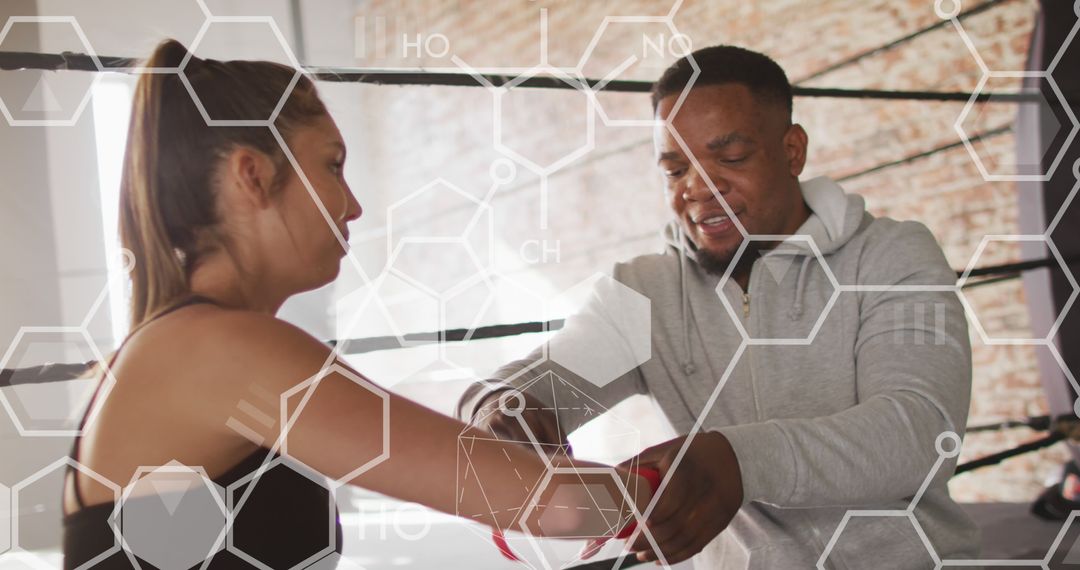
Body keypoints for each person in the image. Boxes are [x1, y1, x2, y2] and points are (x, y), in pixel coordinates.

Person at [61, 39, 654, 569]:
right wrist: (693, 472)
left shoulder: (182, 345)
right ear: (253, 177)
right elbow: (552, 503)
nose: (352, 205)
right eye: (332, 166)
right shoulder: (221, 350)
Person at [458, 45, 982, 568]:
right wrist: (497, 410)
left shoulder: (891, 254)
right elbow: (529, 389)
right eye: (675, 169)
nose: (697, 189)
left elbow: (921, 432)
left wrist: (738, 460)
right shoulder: (647, 293)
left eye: (729, 159)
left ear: (792, 151)